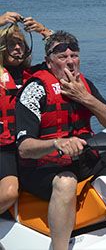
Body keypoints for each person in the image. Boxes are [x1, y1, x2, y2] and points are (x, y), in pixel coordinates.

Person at [16, 31, 106, 250]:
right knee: (66, 182)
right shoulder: (35, 91)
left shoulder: (85, 85)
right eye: (62, 57)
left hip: (83, 158)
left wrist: (85, 98)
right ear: (48, 62)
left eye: (74, 55)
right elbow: (25, 148)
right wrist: (57, 143)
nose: (70, 62)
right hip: (42, 165)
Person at [0, 11, 52, 215]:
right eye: (12, 43)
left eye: (21, 43)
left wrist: (43, 31)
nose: (17, 48)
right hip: (4, 148)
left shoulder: (35, 75)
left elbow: (63, 54)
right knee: (10, 193)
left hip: (32, 145)